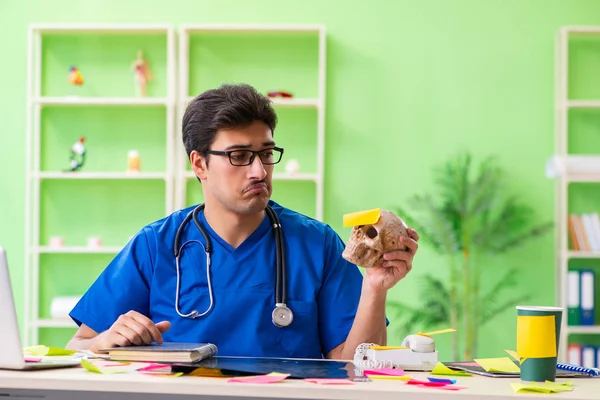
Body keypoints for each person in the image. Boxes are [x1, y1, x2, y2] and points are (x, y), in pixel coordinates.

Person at [66, 83, 420, 360]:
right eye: (239, 156)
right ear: (200, 164)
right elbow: (75, 347)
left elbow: (356, 366)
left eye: (266, 154)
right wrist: (102, 341)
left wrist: (374, 288)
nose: (259, 170)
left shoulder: (318, 245)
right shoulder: (156, 246)